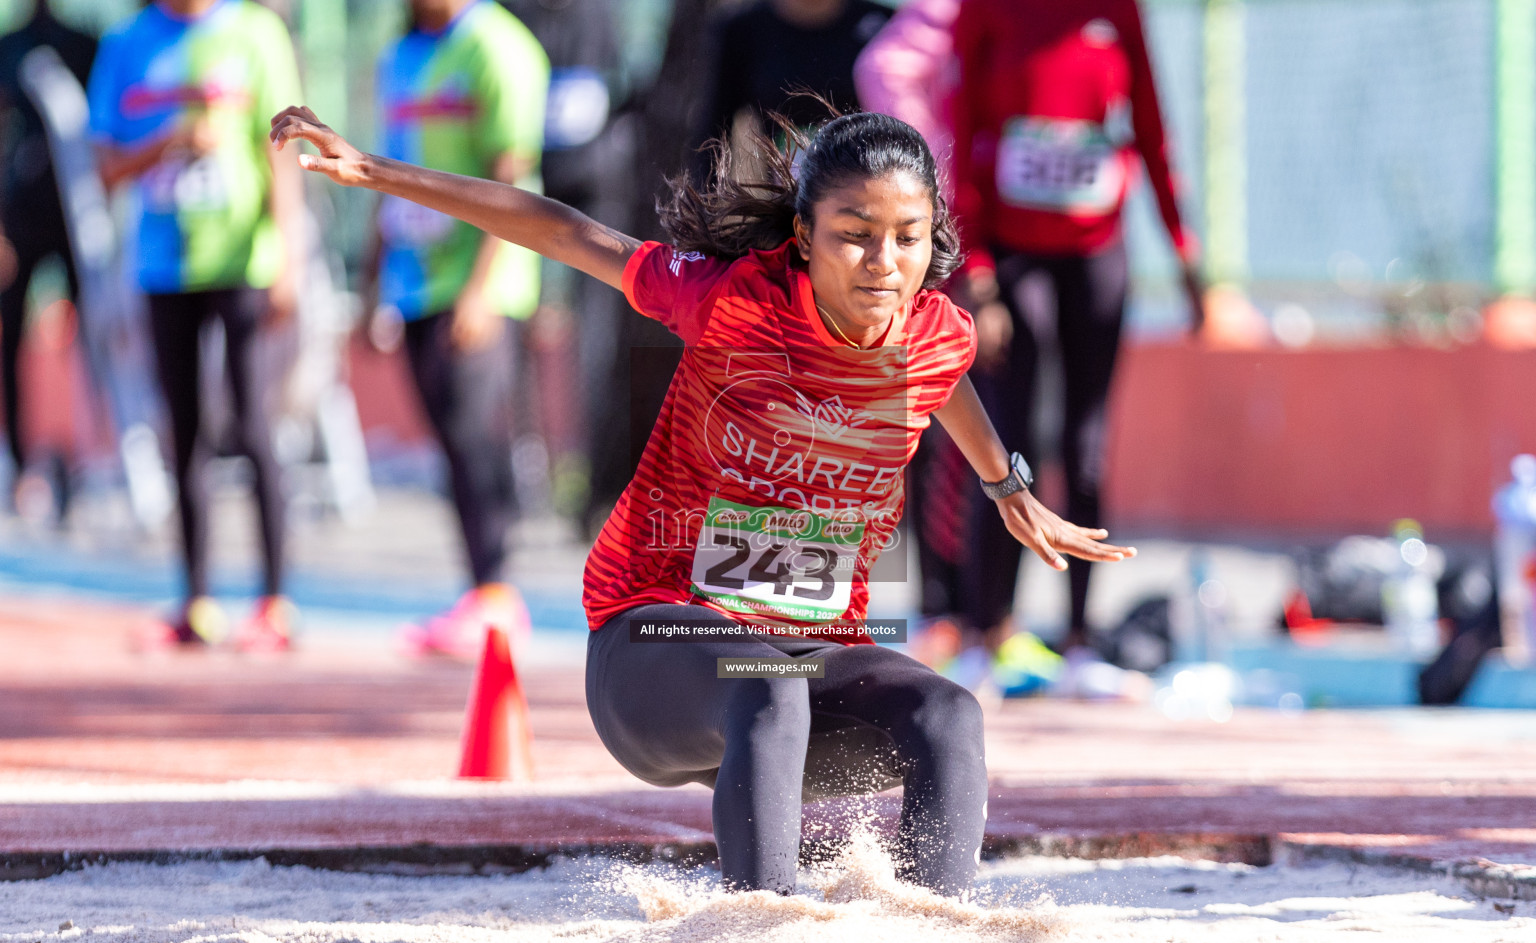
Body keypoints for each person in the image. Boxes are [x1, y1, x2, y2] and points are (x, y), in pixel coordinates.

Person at [270, 103, 1134, 895]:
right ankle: (763, 926)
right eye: (855, 235)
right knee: (767, 685)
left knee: (947, 714)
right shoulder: (731, 301)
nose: (885, 265)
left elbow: (944, 382)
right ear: (803, 234)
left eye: (908, 239)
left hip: (800, 655)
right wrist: (382, 172)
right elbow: (567, 232)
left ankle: (930, 934)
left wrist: (1008, 486)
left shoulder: (937, 331)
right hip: (652, 648)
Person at [949, 0, 1203, 673]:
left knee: (1085, 451)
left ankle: (1082, 640)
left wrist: (1184, 248)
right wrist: (979, 277)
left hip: (1097, 255)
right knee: (1010, 443)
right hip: (1013, 258)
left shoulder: (1116, 11)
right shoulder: (985, 11)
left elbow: (1151, 127)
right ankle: (989, 631)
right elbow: (960, 130)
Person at [88, 0, 303, 649]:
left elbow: (285, 154)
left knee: (254, 422)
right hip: (163, 266)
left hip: (245, 262)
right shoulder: (127, 43)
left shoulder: (257, 33)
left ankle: (273, 601)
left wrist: (289, 254)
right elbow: (105, 167)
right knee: (183, 433)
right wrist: (169, 142)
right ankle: (197, 599)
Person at [363, 0, 549, 659]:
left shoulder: (499, 47)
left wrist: (481, 290)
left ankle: (498, 594)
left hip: (481, 286)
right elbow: (383, 173)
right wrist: (371, 282)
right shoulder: (400, 55)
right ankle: (480, 591)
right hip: (414, 282)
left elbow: (513, 179)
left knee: (477, 438)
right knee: (449, 439)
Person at [0, 0, 96, 511]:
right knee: (11, 340)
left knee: (94, 338)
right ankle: (17, 461)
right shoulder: (8, 47)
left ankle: (87, 455)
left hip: (76, 218)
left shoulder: (85, 46)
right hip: (18, 218)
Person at [694, 0, 892, 172]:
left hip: (872, 194)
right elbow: (714, 129)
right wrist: (707, 206)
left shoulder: (886, 24)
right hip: (784, 200)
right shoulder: (742, 29)